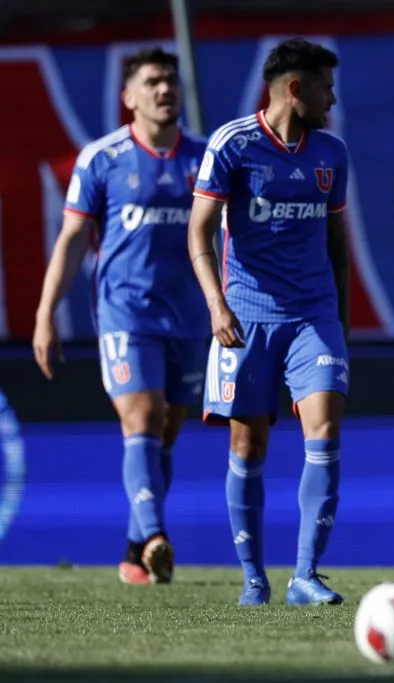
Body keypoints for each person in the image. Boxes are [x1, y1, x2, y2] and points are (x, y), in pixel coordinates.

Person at [33, 47, 208, 586]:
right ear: (128, 97)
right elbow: (70, 240)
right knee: (141, 417)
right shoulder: (102, 159)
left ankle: (136, 551)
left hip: (190, 319)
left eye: (171, 81)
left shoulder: (205, 159)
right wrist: (46, 314)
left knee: (166, 434)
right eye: (153, 82)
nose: (165, 90)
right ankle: (156, 536)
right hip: (124, 313)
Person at [188, 37, 351, 607]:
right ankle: (253, 578)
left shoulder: (331, 154)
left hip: (314, 316)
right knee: (248, 442)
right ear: (295, 88)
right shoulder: (233, 144)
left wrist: (341, 318)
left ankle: (305, 575)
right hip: (246, 317)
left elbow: (336, 241)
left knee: (326, 431)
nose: (332, 100)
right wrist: (216, 304)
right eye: (326, 88)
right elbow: (199, 231)